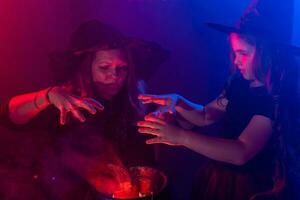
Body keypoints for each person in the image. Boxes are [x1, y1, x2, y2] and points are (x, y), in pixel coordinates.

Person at [137, 3, 300, 200]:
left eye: (244, 53)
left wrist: (181, 137)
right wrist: (178, 102)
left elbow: (241, 152)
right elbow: (206, 115)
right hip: (220, 177)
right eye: (235, 53)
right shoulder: (238, 83)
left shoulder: (274, 97)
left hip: (250, 187)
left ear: (268, 53)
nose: (236, 61)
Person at [0, 20, 169, 199]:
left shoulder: (137, 99)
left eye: (122, 68)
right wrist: (46, 96)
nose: (114, 75)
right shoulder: (68, 102)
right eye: (104, 67)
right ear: (86, 68)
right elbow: (8, 116)